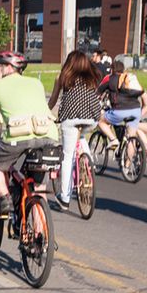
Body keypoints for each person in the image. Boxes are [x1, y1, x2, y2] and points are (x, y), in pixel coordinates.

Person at [0, 51, 59, 217]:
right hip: (49, 135)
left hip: (19, 136)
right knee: (38, 188)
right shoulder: (35, 83)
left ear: (8, 67)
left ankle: (5, 198)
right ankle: (40, 238)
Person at [48, 50, 102, 205]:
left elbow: (53, 100)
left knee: (67, 156)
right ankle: (88, 161)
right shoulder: (91, 78)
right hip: (92, 118)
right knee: (82, 135)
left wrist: (45, 113)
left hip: (70, 118)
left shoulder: (62, 77)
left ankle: (64, 197)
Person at [96, 60, 145, 149]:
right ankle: (127, 163)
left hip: (120, 111)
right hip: (136, 110)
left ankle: (113, 139)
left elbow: (97, 93)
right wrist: (143, 109)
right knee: (131, 139)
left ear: (112, 69)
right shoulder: (129, 78)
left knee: (100, 120)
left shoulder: (110, 78)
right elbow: (144, 95)